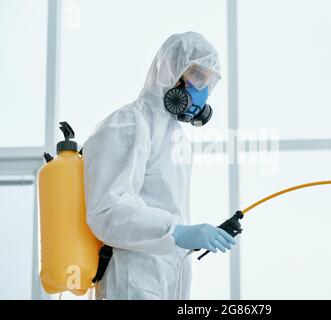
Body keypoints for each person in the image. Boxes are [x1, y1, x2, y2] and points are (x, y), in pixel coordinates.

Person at [82, 32, 236, 300]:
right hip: (131, 282)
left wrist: (185, 235)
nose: (203, 91)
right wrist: (176, 231)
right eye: (198, 77)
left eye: (208, 82)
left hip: (166, 283)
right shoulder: (129, 123)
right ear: (169, 70)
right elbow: (107, 211)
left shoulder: (177, 140)